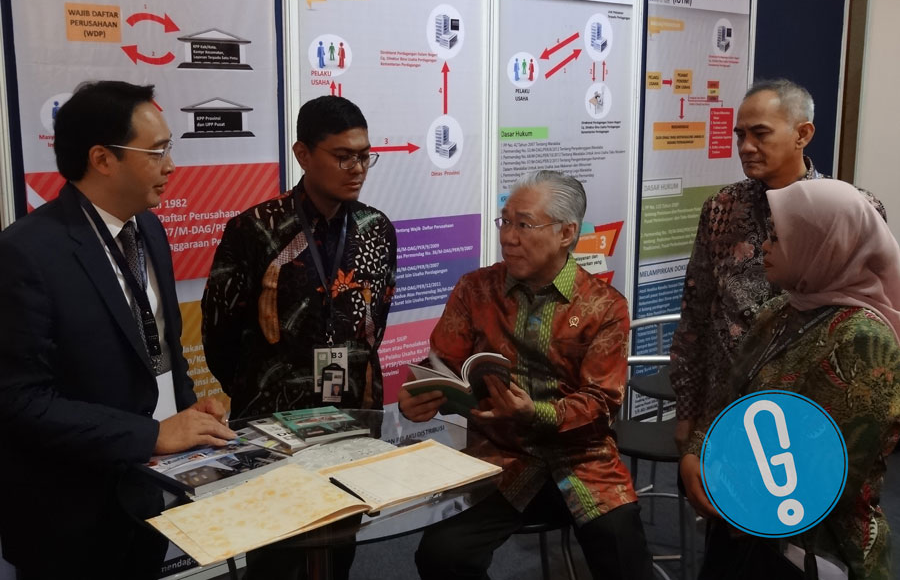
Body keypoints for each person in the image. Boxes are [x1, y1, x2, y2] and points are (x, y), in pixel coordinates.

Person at [0, 81, 234, 580]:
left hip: (151, 492)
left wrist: (187, 414)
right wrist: (152, 434)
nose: (171, 166)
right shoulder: (27, 253)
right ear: (102, 159)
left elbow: (161, 346)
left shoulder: (148, 229)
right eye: (156, 152)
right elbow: (20, 401)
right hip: (72, 516)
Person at [400, 170, 653, 580]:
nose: (508, 237)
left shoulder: (605, 306)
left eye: (524, 225)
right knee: (441, 554)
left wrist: (535, 412)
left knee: (624, 554)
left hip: (583, 459)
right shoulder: (475, 289)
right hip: (501, 457)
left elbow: (601, 403)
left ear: (566, 233)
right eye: (505, 222)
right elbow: (442, 362)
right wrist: (420, 392)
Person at [202, 94, 396, 580]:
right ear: (303, 154)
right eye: (343, 156)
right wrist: (262, 383)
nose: (357, 168)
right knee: (275, 550)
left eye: (364, 155)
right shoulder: (255, 229)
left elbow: (375, 321)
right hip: (273, 415)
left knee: (341, 538)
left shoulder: (376, 229)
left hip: (353, 410)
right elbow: (219, 332)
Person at [680, 178, 900, 579]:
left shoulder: (863, 338)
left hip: (814, 548)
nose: (765, 246)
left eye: (779, 238)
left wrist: (730, 490)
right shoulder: (782, 310)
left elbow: (830, 471)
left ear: (823, 247)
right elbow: (734, 394)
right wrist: (698, 451)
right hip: (743, 522)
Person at [669, 79, 885, 447]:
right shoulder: (723, 209)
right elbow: (696, 314)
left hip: (809, 418)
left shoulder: (849, 212)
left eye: (760, 133)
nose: (746, 147)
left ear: (802, 134)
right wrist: (687, 413)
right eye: (740, 135)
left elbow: (865, 313)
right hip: (723, 409)